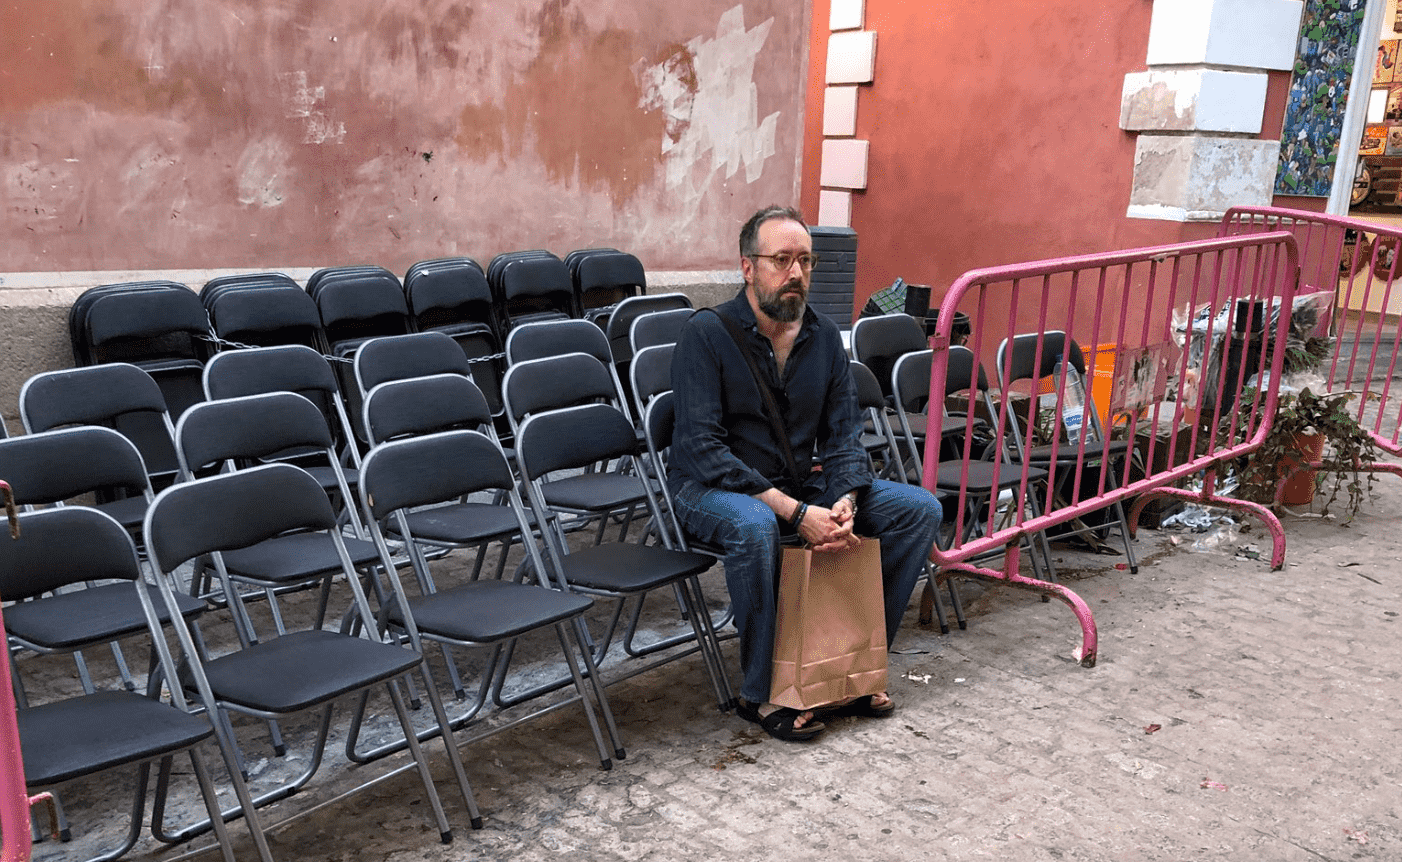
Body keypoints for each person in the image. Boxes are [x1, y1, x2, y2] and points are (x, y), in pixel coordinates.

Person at [668, 205, 943, 742]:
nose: (795, 273)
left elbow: (844, 437)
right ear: (748, 267)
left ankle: (853, 666)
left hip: (799, 482)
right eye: (781, 260)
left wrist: (844, 504)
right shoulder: (706, 334)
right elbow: (702, 449)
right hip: (710, 489)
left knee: (918, 510)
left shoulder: (823, 338)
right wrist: (797, 512)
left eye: (805, 261)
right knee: (754, 525)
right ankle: (762, 688)